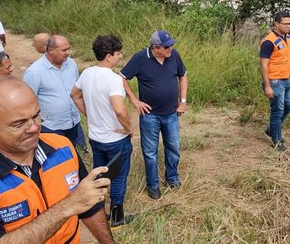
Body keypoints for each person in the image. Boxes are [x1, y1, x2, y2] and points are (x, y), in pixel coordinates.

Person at [0, 76, 120, 244]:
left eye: (36, 116)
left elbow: (88, 204)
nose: (34, 128)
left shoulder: (63, 148)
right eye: (19, 123)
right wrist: (68, 206)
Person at [71, 35, 134, 227]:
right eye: (117, 53)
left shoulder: (87, 73)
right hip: (115, 138)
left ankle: (99, 212)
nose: (120, 56)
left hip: (95, 137)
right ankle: (117, 216)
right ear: (108, 56)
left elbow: (74, 94)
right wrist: (128, 129)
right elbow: (119, 109)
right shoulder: (113, 79)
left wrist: (90, 115)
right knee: (119, 176)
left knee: (99, 174)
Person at [120, 30, 187, 200]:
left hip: (172, 113)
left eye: (171, 45)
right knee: (150, 153)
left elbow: (183, 76)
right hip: (150, 115)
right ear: (156, 47)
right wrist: (135, 100)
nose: (170, 48)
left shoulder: (174, 56)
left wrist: (183, 101)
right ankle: (153, 185)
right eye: (167, 46)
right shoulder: (140, 58)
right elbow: (121, 78)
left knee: (174, 148)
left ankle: (172, 178)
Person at [23, 35, 83, 146]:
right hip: (51, 127)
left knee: (71, 155)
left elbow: (77, 90)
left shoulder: (71, 64)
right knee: (55, 160)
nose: (68, 52)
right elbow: (27, 101)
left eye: (68, 48)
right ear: (51, 50)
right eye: (64, 50)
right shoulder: (35, 72)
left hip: (73, 122)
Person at [259, 10, 290, 152]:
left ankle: (272, 129)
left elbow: (289, 58)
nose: (288, 26)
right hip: (274, 81)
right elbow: (264, 64)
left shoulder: (287, 38)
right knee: (277, 111)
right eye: (285, 24)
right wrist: (267, 86)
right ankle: (276, 141)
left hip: (286, 80)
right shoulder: (269, 42)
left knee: (289, 106)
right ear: (276, 24)